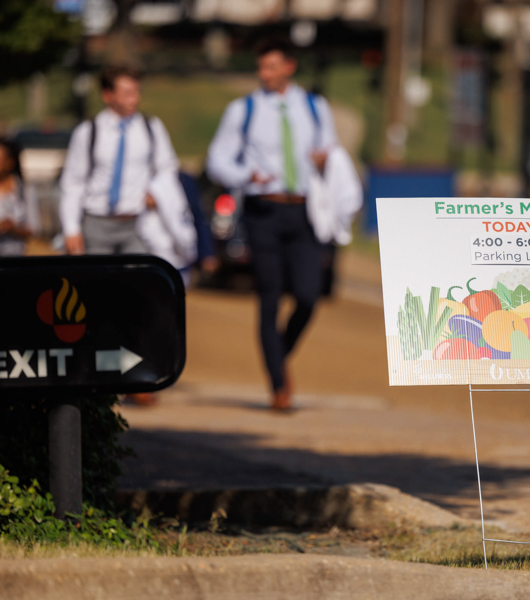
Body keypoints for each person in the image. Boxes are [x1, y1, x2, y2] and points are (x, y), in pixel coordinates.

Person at [206, 39, 340, 412]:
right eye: (261, 67)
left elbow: (333, 152)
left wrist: (325, 159)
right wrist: (246, 175)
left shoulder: (315, 107)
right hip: (262, 209)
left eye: (272, 67)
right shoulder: (243, 109)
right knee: (269, 295)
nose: (265, 74)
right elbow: (217, 159)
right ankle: (279, 385)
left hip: (304, 210)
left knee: (309, 295)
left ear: (289, 67)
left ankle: (278, 355)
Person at [60, 64, 193, 258]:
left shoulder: (151, 128)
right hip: (96, 223)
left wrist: (157, 192)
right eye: (127, 93)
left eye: (136, 92)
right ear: (108, 95)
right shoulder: (88, 132)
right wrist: (71, 228)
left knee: (136, 283)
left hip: (137, 224)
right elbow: (73, 182)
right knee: (98, 285)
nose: (135, 99)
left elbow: (167, 167)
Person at [0, 139, 38, 256]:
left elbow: (34, 229)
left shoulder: (24, 191)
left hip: (14, 258)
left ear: (10, 162)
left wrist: (12, 229)